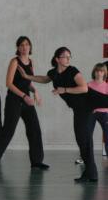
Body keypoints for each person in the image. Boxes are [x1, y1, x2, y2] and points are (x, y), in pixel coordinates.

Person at [19, 48, 108, 182]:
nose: (68, 59)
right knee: (83, 140)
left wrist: (64, 89)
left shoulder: (73, 70)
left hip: (89, 100)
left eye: (69, 56)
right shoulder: (53, 73)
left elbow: (83, 88)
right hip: (80, 109)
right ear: (57, 59)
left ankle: (91, 174)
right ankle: (91, 174)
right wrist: (27, 77)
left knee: (83, 140)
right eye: (65, 56)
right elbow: (44, 79)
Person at [0, 36, 48, 171]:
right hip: (14, 100)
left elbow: (28, 81)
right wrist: (24, 96)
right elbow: (9, 84)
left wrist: (35, 91)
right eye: (22, 45)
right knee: (8, 131)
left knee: (35, 130)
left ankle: (36, 161)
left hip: (27, 100)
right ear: (18, 48)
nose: (24, 47)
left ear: (30, 47)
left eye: (27, 45)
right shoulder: (14, 61)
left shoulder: (30, 62)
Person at [87, 63, 108, 157]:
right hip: (91, 113)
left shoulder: (107, 86)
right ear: (94, 72)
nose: (99, 73)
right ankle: (85, 157)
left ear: (104, 73)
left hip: (105, 114)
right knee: (87, 135)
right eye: (97, 71)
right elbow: (85, 101)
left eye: (101, 71)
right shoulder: (88, 85)